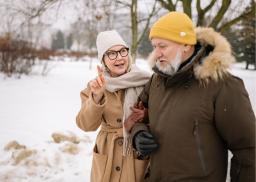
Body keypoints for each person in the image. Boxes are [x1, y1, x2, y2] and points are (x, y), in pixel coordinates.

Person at [129, 11, 255, 182]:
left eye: (163, 46)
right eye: (154, 46)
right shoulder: (156, 80)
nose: (156, 53)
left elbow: (248, 149)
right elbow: (136, 117)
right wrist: (138, 134)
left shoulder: (222, 85)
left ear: (186, 45)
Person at [76, 30, 151, 182]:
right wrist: (97, 96)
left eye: (122, 51)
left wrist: (146, 115)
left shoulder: (146, 81)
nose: (119, 58)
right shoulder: (95, 86)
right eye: (111, 53)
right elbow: (85, 125)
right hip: (107, 157)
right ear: (103, 60)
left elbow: (162, 114)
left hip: (134, 154)